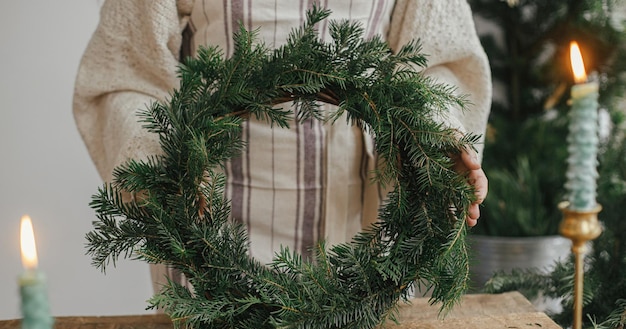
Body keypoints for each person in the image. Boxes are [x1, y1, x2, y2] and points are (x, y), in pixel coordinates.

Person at [73, 0, 491, 292]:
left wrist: (434, 138)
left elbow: (437, 59)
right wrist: (162, 163)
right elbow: (127, 74)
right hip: (211, 241)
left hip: (362, 246)